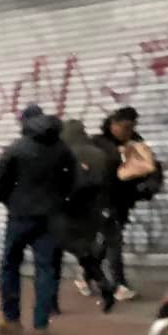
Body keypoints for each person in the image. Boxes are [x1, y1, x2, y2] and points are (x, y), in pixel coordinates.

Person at [0, 103, 75, 335]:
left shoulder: (17, 148)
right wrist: (60, 202)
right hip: (50, 217)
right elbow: (72, 179)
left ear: (23, 122)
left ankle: (11, 320)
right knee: (46, 268)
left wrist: (10, 201)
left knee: (10, 265)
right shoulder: (62, 149)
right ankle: (41, 324)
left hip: (20, 216)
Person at [94, 106, 163, 301]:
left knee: (107, 241)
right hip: (103, 200)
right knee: (114, 241)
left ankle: (86, 273)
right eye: (124, 127)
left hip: (123, 199)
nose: (128, 131)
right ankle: (119, 285)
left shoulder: (136, 142)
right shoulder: (100, 143)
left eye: (132, 127)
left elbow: (152, 168)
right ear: (113, 124)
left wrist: (149, 186)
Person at [53, 119, 117, 312]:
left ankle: (51, 302)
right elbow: (109, 182)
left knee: (54, 256)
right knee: (85, 252)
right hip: (92, 211)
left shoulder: (64, 154)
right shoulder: (100, 154)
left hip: (66, 211)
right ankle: (103, 284)